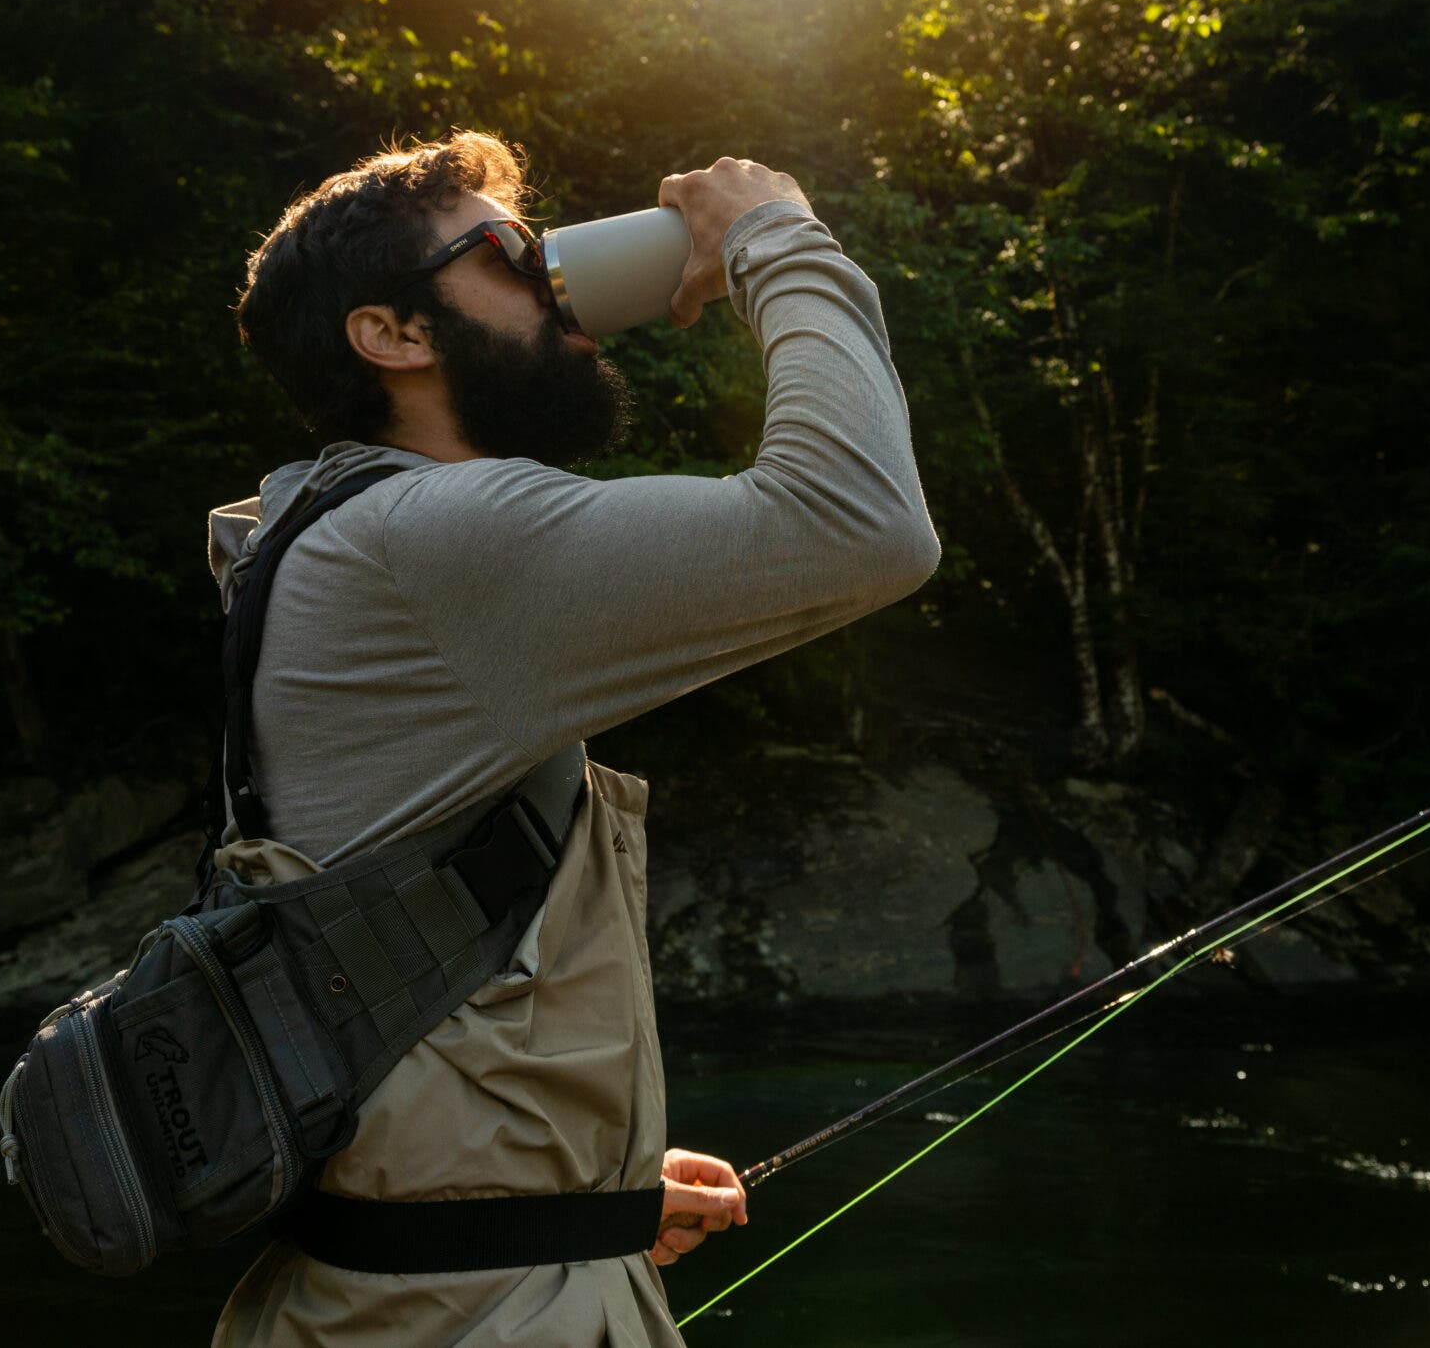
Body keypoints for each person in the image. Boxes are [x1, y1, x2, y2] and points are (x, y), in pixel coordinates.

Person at [206, 132, 940, 1346]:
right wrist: (776, 237)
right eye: (507, 251)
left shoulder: (328, 536)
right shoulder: (429, 540)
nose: (549, 276)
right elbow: (863, 523)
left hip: (427, 1295)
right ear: (393, 335)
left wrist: (559, 1201)